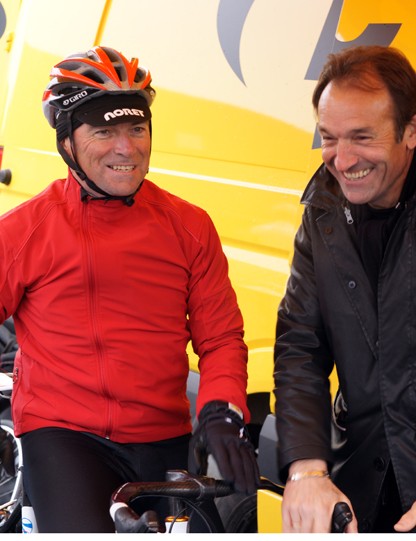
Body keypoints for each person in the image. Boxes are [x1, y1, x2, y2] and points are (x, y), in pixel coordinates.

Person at [0, 46, 259, 533]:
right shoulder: (26, 231)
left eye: (136, 128)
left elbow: (221, 338)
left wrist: (223, 410)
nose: (127, 148)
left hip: (162, 434)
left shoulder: (188, 226)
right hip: (63, 435)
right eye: (104, 131)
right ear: (67, 141)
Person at [274, 45, 416, 533]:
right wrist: (307, 468)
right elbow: (300, 346)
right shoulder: (324, 212)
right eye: (329, 138)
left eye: (362, 137)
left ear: (411, 130)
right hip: (366, 481)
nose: (342, 158)